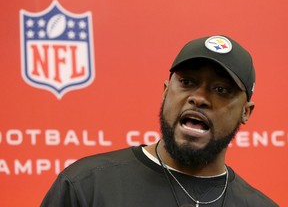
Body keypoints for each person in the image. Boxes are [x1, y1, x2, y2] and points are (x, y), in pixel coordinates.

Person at [41, 35, 278, 207]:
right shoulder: (87, 186)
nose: (199, 98)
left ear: (246, 112)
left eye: (221, 89)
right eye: (187, 82)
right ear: (165, 92)